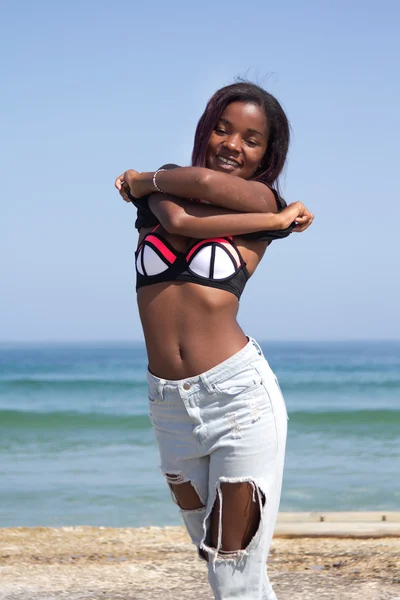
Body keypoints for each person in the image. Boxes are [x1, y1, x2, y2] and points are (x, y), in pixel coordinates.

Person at [115, 82, 314, 600]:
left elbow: (199, 183)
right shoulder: (170, 192)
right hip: (169, 409)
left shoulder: (261, 198)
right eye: (223, 129)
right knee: (226, 569)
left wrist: (142, 179)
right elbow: (179, 218)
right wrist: (151, 184)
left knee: (233, 573)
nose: (232, 144)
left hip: (239, 401)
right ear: (206, 129)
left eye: (252, 140)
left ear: (268, 156)